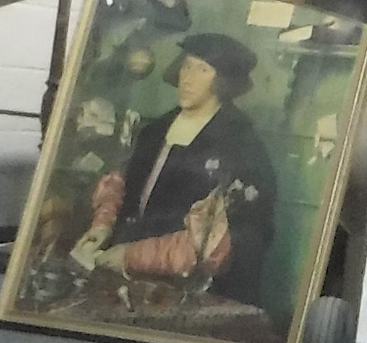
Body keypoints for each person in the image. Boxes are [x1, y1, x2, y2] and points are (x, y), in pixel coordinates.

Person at [69, 32, 275, 311]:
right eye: (187, 65)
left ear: (223, 81)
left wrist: (131, 256)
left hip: (195, 296)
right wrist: (102, 225)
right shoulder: (156, 130)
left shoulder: (241, 147)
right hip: (127, 280)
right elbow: (122, 181)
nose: (187, 78)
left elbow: (214, 246)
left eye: (202, 70)